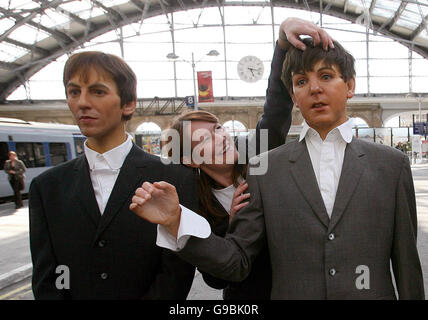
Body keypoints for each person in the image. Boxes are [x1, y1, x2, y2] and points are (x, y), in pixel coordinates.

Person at [130, 20, 425, 299]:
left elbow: (407, 264)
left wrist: (283, 43)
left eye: (326, 76)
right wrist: (178, 221)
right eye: (301, 81)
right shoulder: (265, 171)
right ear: (295, 95)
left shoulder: (391, 165)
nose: (315, 89)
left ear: (350, 85)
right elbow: (233, 262)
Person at [155, 18, 333, 300]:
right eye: (204, 140)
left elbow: (275, 108)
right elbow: (214, 279)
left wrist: (282, 43)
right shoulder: (194, 204)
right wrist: (233, 226)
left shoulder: (259, 160)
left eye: (217, 128)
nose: (221, 137)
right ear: (190, 161)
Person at [29, 51, 198, 299]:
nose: (82, 103)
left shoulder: (174, 177)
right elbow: (46, 278)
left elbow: (176, 270)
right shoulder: (46, 188)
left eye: (98, 91)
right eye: (74, 92)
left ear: (128, 104)